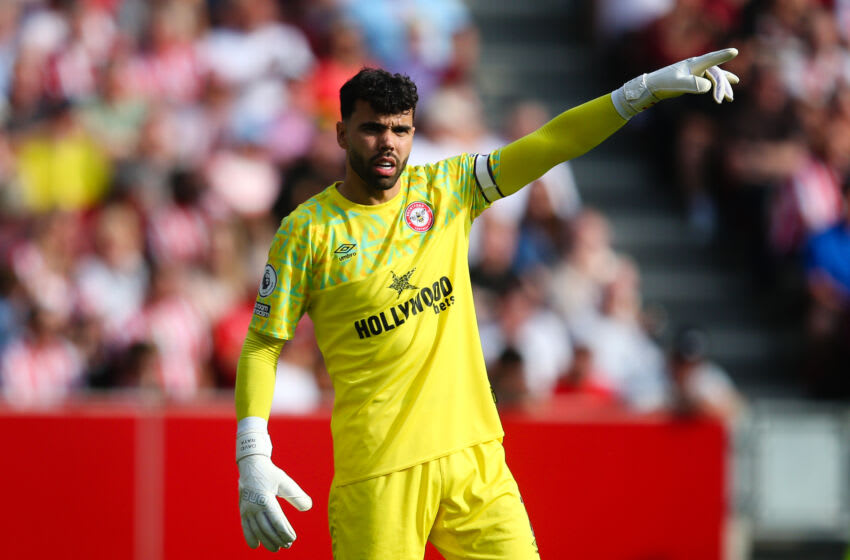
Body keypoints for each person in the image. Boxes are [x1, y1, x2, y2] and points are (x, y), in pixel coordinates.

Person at [234, 50, 740, 558]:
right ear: (342, 133)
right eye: (371, 129)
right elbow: (262, 344)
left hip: (474, 458)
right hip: (377, 471)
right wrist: (253, 454)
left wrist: (642, 91)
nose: (388, 143)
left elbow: (550, 143)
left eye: (400, 130)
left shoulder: (445, 189)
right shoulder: (306, 232)